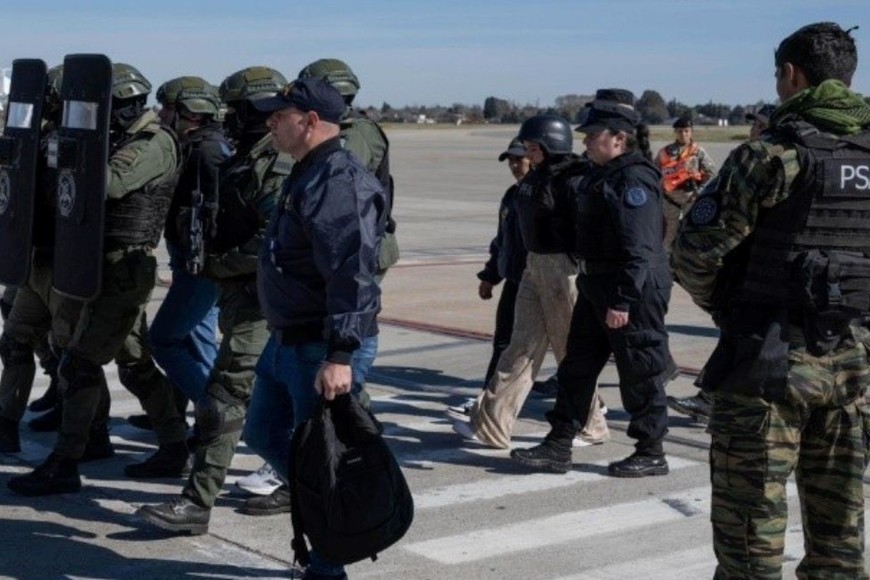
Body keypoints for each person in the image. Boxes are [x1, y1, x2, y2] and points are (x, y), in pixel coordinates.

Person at [672, 22, 870, 578]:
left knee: (749, 543)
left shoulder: (772, 155)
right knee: (840, 541)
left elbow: (693, 254)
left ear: (790, 74)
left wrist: (729, 310)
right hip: (855, 369)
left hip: (768, 367)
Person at [7, 62, 183, 496]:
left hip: (124, 269)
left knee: (82, 365)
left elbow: (105, 183)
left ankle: (67, 461)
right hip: (92, 261)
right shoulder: (119, 137)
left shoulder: (152, 142)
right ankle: (171, 443)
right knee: (133, 365)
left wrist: (63, 151)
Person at [237, 57, 396, 510]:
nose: (271, 123)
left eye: (279, 117)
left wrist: (340, 354)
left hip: (321, 344)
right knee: (262, 432)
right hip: (287, 339)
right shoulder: (308, 169)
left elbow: (352, 272)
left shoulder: (338, 181)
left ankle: (336, 541)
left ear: (309, 122)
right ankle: (330, 496)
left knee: (322, 455)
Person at [135, 65, 288, 532]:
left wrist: (216, 264)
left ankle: (200, 499)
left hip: (256, 292)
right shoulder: (243, 155)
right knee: (244, 399)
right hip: (235, 288)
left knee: (225, 396)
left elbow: (266, 238)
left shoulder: (253, 160)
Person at [512, 89, 673, 477]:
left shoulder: (633, 180)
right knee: (576, 368)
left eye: (593, 134)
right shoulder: (603, 175)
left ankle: (651, 451)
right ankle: (558, 443)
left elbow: (640, 249)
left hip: (629, 290)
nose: (584, 140)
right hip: (597, 284)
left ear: (618, 138)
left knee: (640, 370)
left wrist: (622, 302)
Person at [449, 114, 609, 449]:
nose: (528, 152)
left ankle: (591, 424)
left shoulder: (575, 178)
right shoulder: (536, 178)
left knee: (570, 352)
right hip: (533, 266)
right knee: (519, 348)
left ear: (551, 144)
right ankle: (490, 427)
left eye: (534, 146)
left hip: (561, 270)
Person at [122, 77, 234, 479]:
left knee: (165, 339)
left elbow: (220, 213)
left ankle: (218, 421)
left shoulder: (207, 152)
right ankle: (213, 424)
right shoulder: (199, 145)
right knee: (199, 343)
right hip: (192, 260)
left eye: (167, 108)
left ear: (189, 112)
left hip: (200, 265)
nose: (161, 115)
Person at [666, 103, 778, 425]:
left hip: (756, 270)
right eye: (753, 123)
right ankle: (709, 399)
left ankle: (712, 400)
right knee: (734, 337)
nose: (753, 128)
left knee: (741, 338)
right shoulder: (748, 155)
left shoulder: (769, 160)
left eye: (759, 123)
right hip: (739, 266)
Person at [655, 116, 716, 252]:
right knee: (668, 235)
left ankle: (686, 261)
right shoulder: (664, 152)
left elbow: (712, 173)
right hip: (669, 201)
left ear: (691, 132)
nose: (683, 134)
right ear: (675, 132)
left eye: (687, 131)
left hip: (691, 199)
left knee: (691, 233)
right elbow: (654, 173)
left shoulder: (698, 152)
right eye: (680, 131)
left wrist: (699, 191)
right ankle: (666, 265)